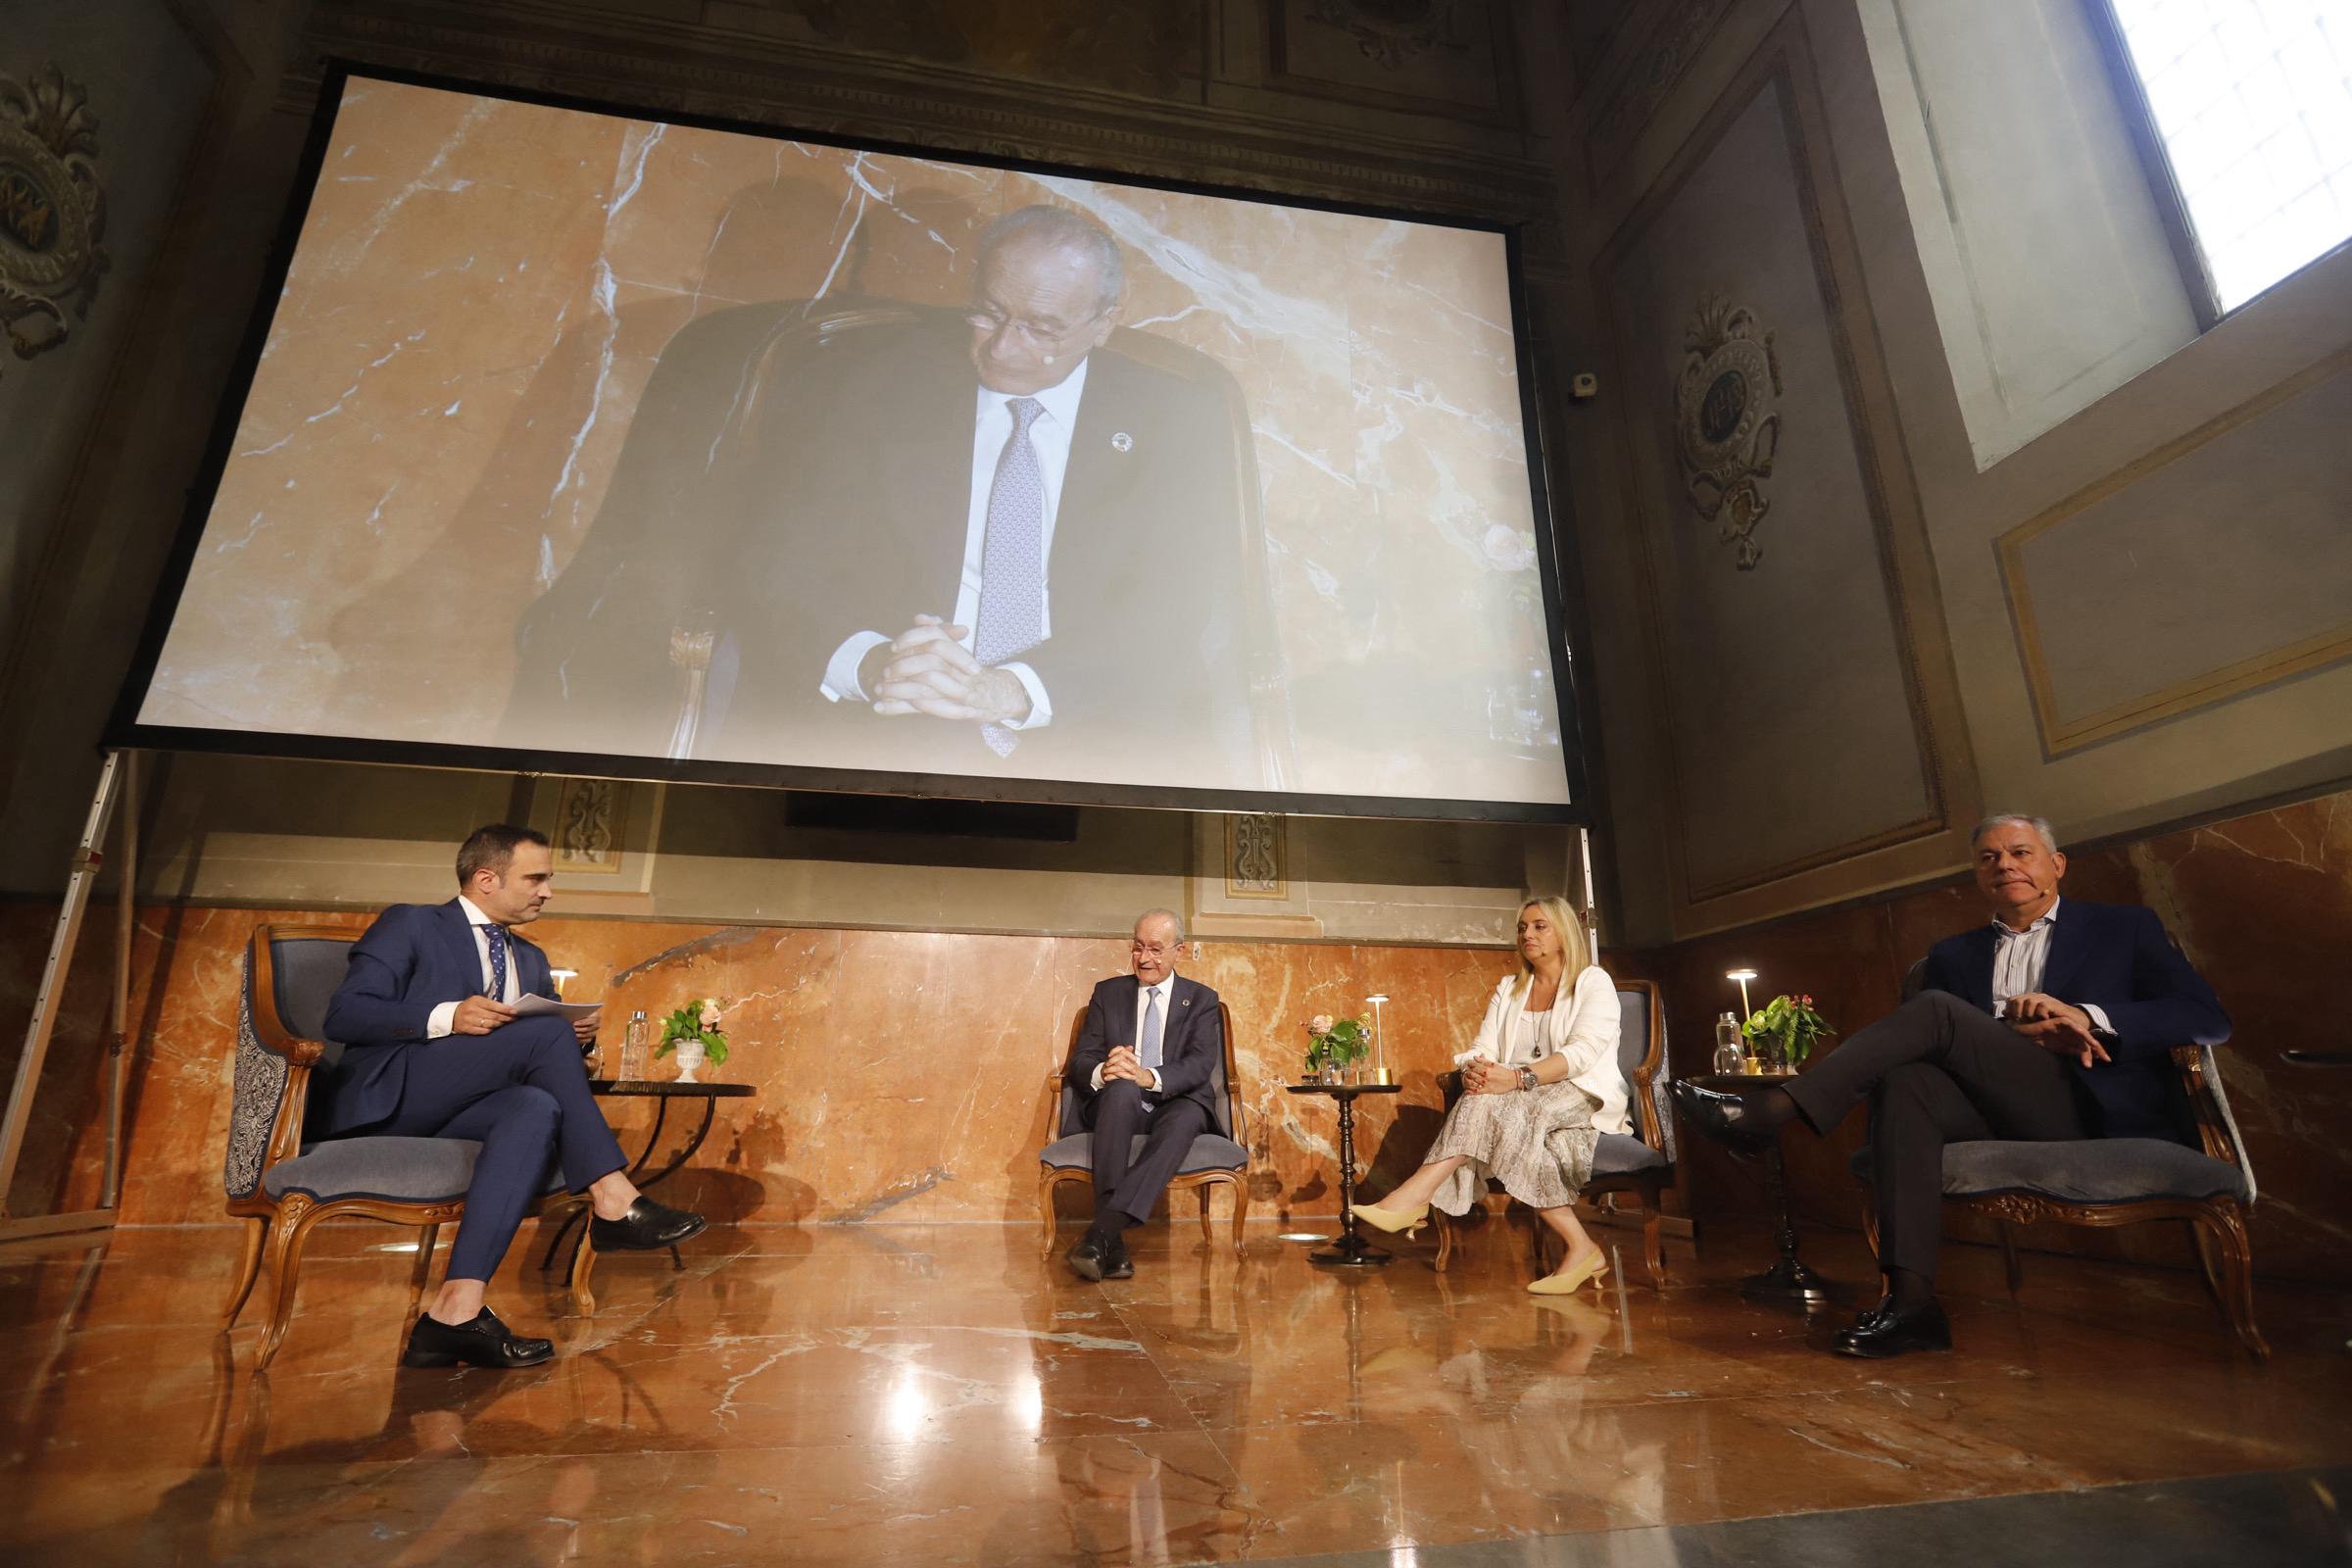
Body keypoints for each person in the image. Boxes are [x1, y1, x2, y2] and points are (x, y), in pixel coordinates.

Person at [503, 204, 1264, 786]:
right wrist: (869, 663)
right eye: (989, 313)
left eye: (1042, 329)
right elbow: (777, 562)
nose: (1004, 349)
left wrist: (1010, 690)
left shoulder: (1176, 420)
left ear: (1103, 323)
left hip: (1089, 733)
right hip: (881, 723)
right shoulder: (871, 388)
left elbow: (1176, 609)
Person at [1672, 812, 2230, 1358]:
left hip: (2087, 1102)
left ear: (2057, 865)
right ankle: (1912, 1306)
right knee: (1906, 1081)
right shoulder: (1953, 954)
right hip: (1991, 1108)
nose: (2004, 864)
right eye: (1989, 858)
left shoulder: (2123, 929)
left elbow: (2206, 1018)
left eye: (2020, 852)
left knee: (1936, 1010)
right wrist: (2013, 1033)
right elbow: (1936, 1048)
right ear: (1978, 876)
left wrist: (2086, 1016)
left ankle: (1772, 1112)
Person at [315, 823, 708, 1368]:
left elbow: (534, 1050)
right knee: (542, 1039)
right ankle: (612, 1196)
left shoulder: (531, 958)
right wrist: (449, 1015)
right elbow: (346, 1014)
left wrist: (576, 1039)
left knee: (534, 1107)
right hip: (395, 1094)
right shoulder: (412, 923)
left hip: (469, 1104)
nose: (548, 891)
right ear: (486, 879)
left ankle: (454, 1313)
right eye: (536, 879)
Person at [1350, 897, 1628, 1295]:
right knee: (1487, 1100)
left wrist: (1517, 1078)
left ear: (1564, 932)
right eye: (1522, 928)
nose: (1528, 934)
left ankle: (1414, 1194)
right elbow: (1481, 1048)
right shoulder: (1509, 988)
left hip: (1580, 1090)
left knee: (1503, 1107)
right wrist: (1476, 1068)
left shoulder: (1592, 981)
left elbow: (1582, 1054)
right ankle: (1581, 1248)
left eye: (1539, 926)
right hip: (1512, 1093)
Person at [1060, 909, 1230, 1281]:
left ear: (1179, 951)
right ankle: (1112, 1242)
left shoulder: (1201, 999)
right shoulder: (1109, 993)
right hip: (1118, 1102)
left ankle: (1101, 1234)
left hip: (1177, 1099)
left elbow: (1200, 1063)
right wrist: (1104, 1070)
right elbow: (1082, 1058)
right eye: (1138, 948)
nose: (1144, 958)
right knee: (1121, 1088)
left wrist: (1149, 1076)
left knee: (1187, 1115)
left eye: (1155, 949)